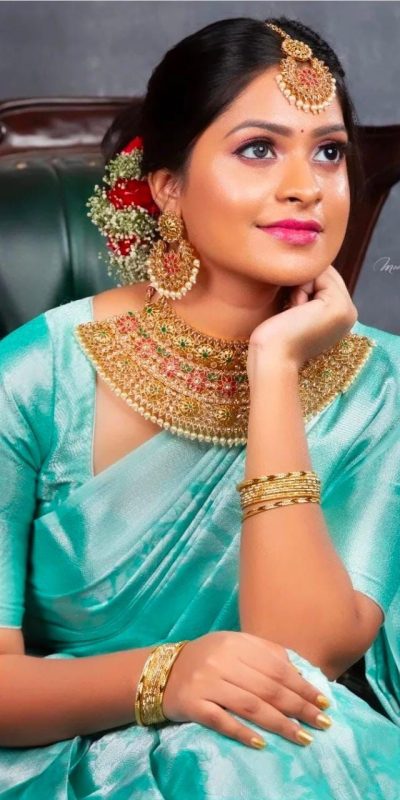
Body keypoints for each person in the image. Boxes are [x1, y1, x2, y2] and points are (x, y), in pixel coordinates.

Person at [0, 14, 399, 799]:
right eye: (259, 149)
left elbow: (297, 663)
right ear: (168, 186)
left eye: (328, 152)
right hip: (72, 762)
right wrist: (166, 675)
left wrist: (275, 370)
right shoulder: (37, 378)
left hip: (288, 754)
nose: (305, 185)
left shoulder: (381, 383)